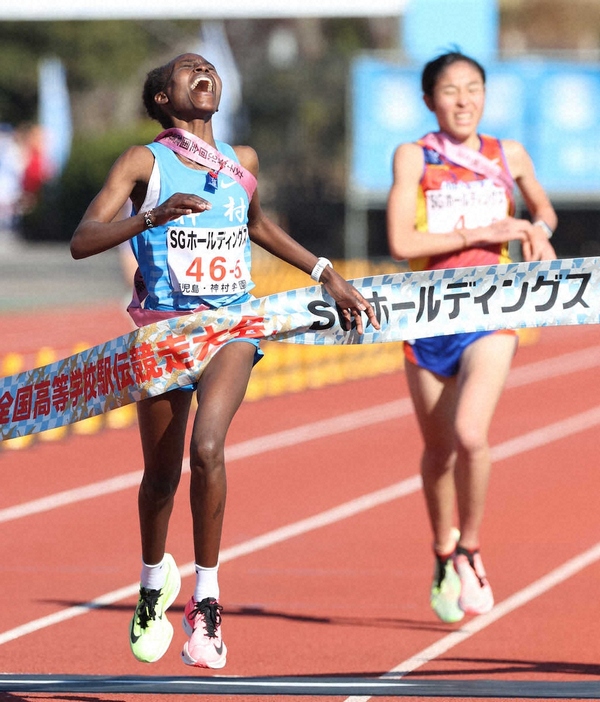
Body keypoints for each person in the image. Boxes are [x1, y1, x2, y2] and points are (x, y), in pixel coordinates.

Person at [71, 53, 379, 669]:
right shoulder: (142, 161)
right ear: (163, 99)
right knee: (160, 479)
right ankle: (154, 581)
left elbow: (259, 226)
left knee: (207, 447)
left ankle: (207, 601)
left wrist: (327, 274)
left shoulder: (244, 161)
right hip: (163, 330)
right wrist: (154, 215)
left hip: (232, 325)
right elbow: (82, 240)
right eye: (187, 71)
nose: (202, 73)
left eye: (208, 68)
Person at [386, 51, 556, 624]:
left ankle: (472, 547)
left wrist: (537, 232)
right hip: (427, 316)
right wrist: (481, 229)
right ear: (430, 99)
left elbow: (543, 210)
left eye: (474, 88)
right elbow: (402, 243)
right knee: (437, 451)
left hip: (492, 311)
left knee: (470, 435)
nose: (464, 99)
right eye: (451, 90)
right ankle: (442, 551)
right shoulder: (414, 156)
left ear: (485, 95)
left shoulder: (508, 154)